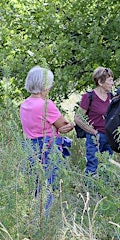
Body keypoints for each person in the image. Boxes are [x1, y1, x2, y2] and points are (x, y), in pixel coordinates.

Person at [19, 66, 75, 215]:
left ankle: (33, 216)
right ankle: (44, 219)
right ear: (44, 85)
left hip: (30, 146)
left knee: (35, 185)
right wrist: (71, 125)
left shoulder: (24, 105)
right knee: (48, 185)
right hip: (48, 148)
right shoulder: (46, 105)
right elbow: (64, 125)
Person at [74, 67, 114, 175]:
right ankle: (90, 190)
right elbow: (78, 118)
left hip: (109, 136)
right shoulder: (89, 97)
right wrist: (92, 132)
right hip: (95, 137)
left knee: (107, 166)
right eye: (110, 80)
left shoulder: (112, 97)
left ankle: (105, 189)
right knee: (93, 166)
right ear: (100, 82)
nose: (112, 83)